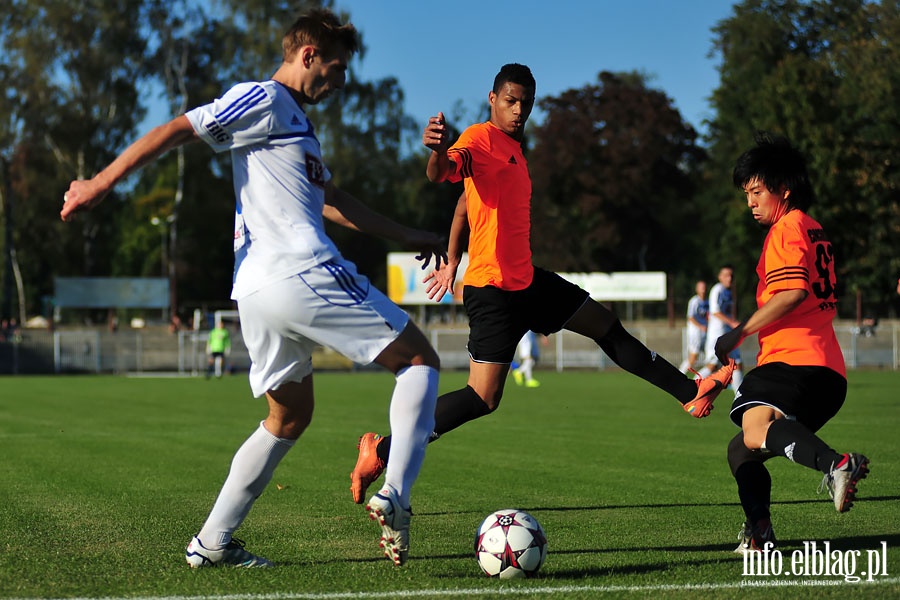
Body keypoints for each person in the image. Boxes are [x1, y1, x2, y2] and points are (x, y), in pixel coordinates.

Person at [61, 9, 446, 568]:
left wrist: (413, 233)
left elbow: (335, 201)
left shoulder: (298, 127)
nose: (340, 83)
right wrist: (99, 183)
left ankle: (212, 542)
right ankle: (398, 497)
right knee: (421, 362)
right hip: (301, 271)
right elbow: (179, 128)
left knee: (288, 416)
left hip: (258, 292)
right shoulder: (264, 98)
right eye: (336, 69)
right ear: (308, 55)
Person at [348, 63, 736, 504]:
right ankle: (380, 452)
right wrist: (436, 152)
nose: (518, 111)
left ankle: (691, 391)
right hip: (493, 291)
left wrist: (453, 256)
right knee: (483, 398)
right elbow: (442, 175)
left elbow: (462, 205)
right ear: (492, 99)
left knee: (605, 324)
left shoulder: (514, 150)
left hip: (528, 282)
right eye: (510, 101)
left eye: (525, 104)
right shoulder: (478, 138)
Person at [714, 132, 869, 552]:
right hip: (828, 373)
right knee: (741, 451)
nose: (750, 201)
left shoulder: (785, 228)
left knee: (752, 430)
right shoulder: (814, 228)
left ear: (784, 189)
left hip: (793, 361)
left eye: (757, 191)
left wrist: (738, 332)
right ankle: (760, 530)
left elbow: (792, 292)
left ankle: (837, 465)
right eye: (747, 193)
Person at [699, 266, 744, 390]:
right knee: (712, 365)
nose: (729, 278)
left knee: (737, 364)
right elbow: (715, 312)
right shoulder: (717, 290)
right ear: (720, 277)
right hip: (717, 334)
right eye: (726, 275)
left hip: (728, 333)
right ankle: (693, 386)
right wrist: (732, 323)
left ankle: (739, 397)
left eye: (731, 275)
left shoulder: (729, 292)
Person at [679, 280, 708, 374]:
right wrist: (701, 326)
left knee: (712, 355)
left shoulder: (708, 301)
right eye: (701, 287)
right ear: (697, 289)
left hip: (705, 332)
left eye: (704, 287)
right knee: (693, 357)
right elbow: (690, 317)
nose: (703, 289)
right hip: (695, 332)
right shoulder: (694, 301)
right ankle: (680, 373)